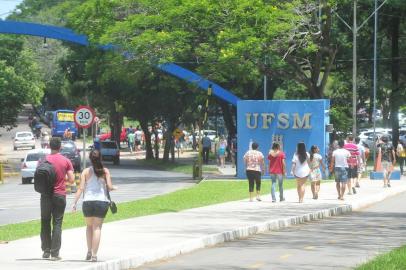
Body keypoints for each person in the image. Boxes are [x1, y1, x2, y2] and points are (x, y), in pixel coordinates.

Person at [72, 150, 114, 262]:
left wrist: (74, 203)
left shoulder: (85, 171)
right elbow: (109, 187)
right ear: (100, 158)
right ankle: (94, 255)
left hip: (88, 202)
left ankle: (89, 251)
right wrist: (114, 187)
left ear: (90, 159)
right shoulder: (105, 171)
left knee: (89, 227)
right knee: (97, 228)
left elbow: (81, 188)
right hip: (101, 202)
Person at [40, 137, 75, 260]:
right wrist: (62, 178)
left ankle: (46, 250)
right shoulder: (65, 161)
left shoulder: (43, 160)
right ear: (60, 147)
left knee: (45, 222)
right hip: (59, 195)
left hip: (45, 196)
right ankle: (55, 253)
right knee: (57, 223)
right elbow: (71, 180)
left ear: (49, 146)